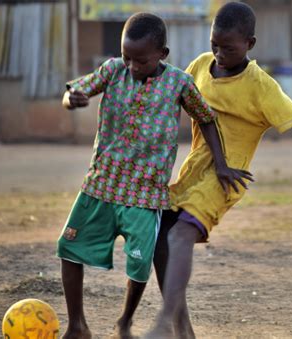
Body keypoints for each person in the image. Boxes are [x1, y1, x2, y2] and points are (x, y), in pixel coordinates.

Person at [146, 2, 292, 338]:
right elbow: (174, 100)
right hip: (193, 171)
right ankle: (182, 329)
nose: (218, 54)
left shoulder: (261, 86)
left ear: (250, 44)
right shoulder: (201, 66)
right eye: (214, 44)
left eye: (228, 48)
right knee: (160, 238)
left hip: (227, 176)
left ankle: (163, 320)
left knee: (180, 234)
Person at [56, 12, 249, 339]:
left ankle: (125, 322)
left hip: (145, 194)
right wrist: (71, 99)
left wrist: (221, 162)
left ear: (162, 54)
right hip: (101, 183)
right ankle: (77, 325)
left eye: (141, 60)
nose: (132, 66)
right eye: (126, 57)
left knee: (140, 265)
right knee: (68, 248)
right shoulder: (113, 70)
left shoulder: (179, 84)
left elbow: (206, 118)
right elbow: (79, 89)